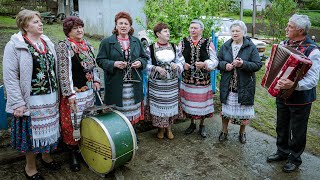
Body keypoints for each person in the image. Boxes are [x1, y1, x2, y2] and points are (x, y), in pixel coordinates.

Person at [3, 9, 60, 179]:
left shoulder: (47, 43)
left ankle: (46, 156)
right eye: (35, 21)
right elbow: (10, 76)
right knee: (32, 135)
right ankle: (30, 167)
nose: (40, 23)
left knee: (49, 130)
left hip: (50, 97)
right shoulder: (15, 45)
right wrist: (18, 103)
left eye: (40, 20)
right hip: (31, 100)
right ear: (24, 25)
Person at [266, 14, 320, 173]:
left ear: (301, 30)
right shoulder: (284, 44)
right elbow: (277, 64)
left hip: (301, 98)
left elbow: (313, 79)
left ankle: (295, 158)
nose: (286, 28)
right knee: (281, 125)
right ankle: (281, 152)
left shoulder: (313, 50)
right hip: (282, 94)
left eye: (290, 26)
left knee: (297, 130)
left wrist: (294, 85)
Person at [56, 16, 101, 172]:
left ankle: (84, 149)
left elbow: (93, 67)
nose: (80, 30)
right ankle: (72, 153)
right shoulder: (64, 46)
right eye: (75, 28)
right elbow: (63, 72)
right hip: (74, 94)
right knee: (72, 124)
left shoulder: (87, 45)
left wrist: (96, 81)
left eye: (81, 27)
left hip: (88, 92)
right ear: (68, 31)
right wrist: (69, 93)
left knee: (86, 121)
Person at [96, 12, 148, 130]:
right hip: (116, 83)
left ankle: (131, 134)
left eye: (126, 23)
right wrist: (113, 64)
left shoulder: (136, 41)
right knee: (118, 112)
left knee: (132, 110)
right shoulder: (107, 42)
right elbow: (100, 60)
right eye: (120, 23)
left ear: (130, 27)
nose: (123, 26)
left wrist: (140, 63)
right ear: (116, 26)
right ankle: (120, 134)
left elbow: (144, 58)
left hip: (133, 84)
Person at [217, 20, 262, 144]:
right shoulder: (226, 45)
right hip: (228, 83)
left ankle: (242, 133)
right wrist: (225, 65)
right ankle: (224, 131)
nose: (235, 33)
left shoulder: (250, 46)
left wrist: (243, 64)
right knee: (226, 110)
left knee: (244, 111)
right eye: (233, 31)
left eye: (238, 31)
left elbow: (258, 65)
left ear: (244, 32)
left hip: (244, 84)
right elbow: (218, 61)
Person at [144, 23, 185, 139]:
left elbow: (181, 61)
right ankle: (160, 129)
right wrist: (155, 68)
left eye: (168, 31)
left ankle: (169, 128)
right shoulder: (150, 49)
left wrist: (177, 66)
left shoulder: (174, 47)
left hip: (171, 84)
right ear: (158, 34)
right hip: (157, 85)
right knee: (159, 106)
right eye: (165, 31)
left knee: (170, 105)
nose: (168, 33)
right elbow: (145, 64)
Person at [179, 19, 218, 138]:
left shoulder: (208, 43)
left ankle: (202, 125)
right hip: (188, 79)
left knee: (202, 104)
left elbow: (214, 60)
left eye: (195, 28)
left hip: (203, 80)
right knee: (189, 102)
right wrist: (182, 64)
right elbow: (178, 58)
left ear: (201, 29)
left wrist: (205, 64)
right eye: (191, 28)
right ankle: (192, 124)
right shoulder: (183, 42)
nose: (193, 30)